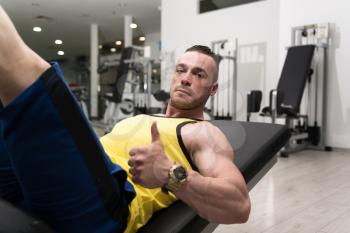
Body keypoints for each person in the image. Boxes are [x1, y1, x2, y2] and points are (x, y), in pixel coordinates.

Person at [0, 5, 250, 233]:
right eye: (181, 70)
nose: (186, 78)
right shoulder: (138, 118)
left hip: (107, 206)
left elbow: (239, 205)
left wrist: (169, 173)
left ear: (213, 89)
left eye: (199, 74)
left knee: (19, 65)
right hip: (58, 184)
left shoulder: (202, 132)